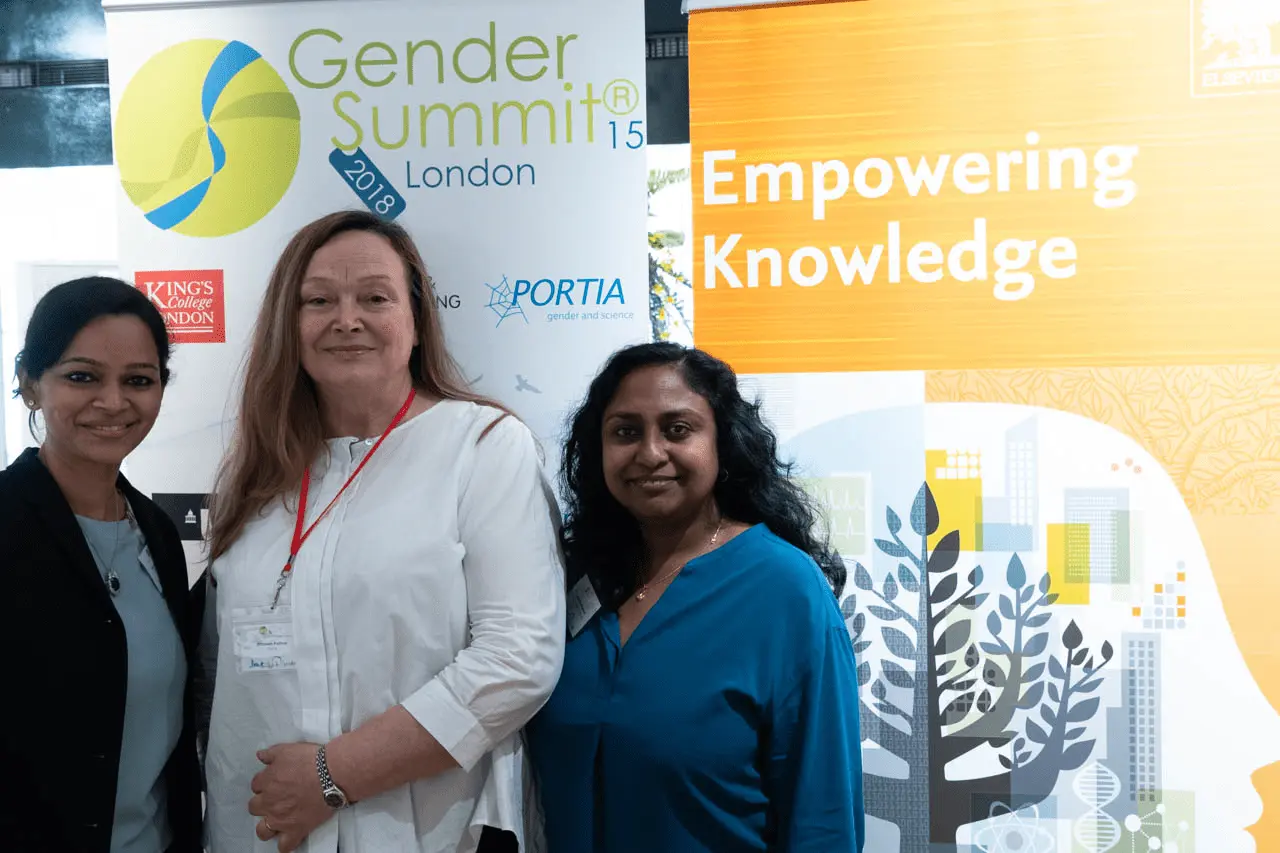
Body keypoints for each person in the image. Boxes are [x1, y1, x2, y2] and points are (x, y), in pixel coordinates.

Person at [199, 210, 564, 853]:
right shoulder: (255, 474)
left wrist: (333, 774)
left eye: (375, 298)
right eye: (319, 301)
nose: (347, 320)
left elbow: (518, 659)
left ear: (417, 322)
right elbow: (218, 669)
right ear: (289, 323)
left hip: (426, 831)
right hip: (263, 832)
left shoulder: (481, 446)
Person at [526, 342, 866, 853]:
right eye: (625, 432)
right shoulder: (571, 574)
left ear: (722, 442)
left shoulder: (785, 590)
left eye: (678, 429)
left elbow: (823, 815)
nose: (650, 453)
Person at [0, 277, 203, 853]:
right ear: (30, 384)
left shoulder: (157, 533)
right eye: (82, 377)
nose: (113, 402)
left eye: (138, 380)